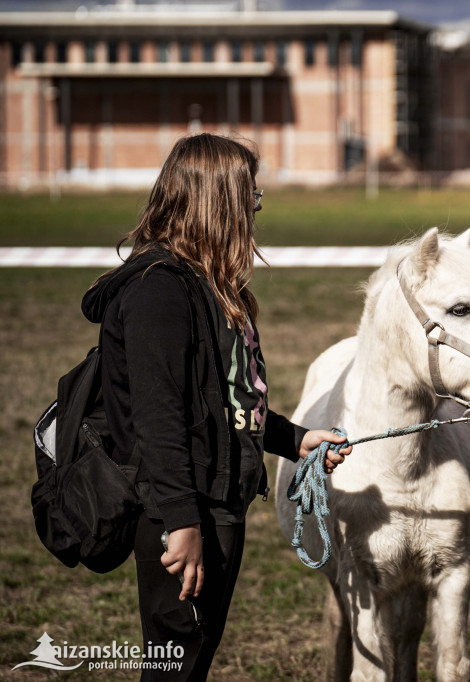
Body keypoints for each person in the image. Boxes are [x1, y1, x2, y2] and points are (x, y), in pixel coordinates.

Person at [81, 133, 350, 680]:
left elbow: (221, 400)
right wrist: (181, 522)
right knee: (175, 665)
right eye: (251, 193)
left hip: (216, 501)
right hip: (181, 507)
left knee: (192, 659)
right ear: (219, 199)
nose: (257, 206)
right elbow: (159, 418)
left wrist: (292, 439)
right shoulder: (159, 290)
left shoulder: (206, 282)